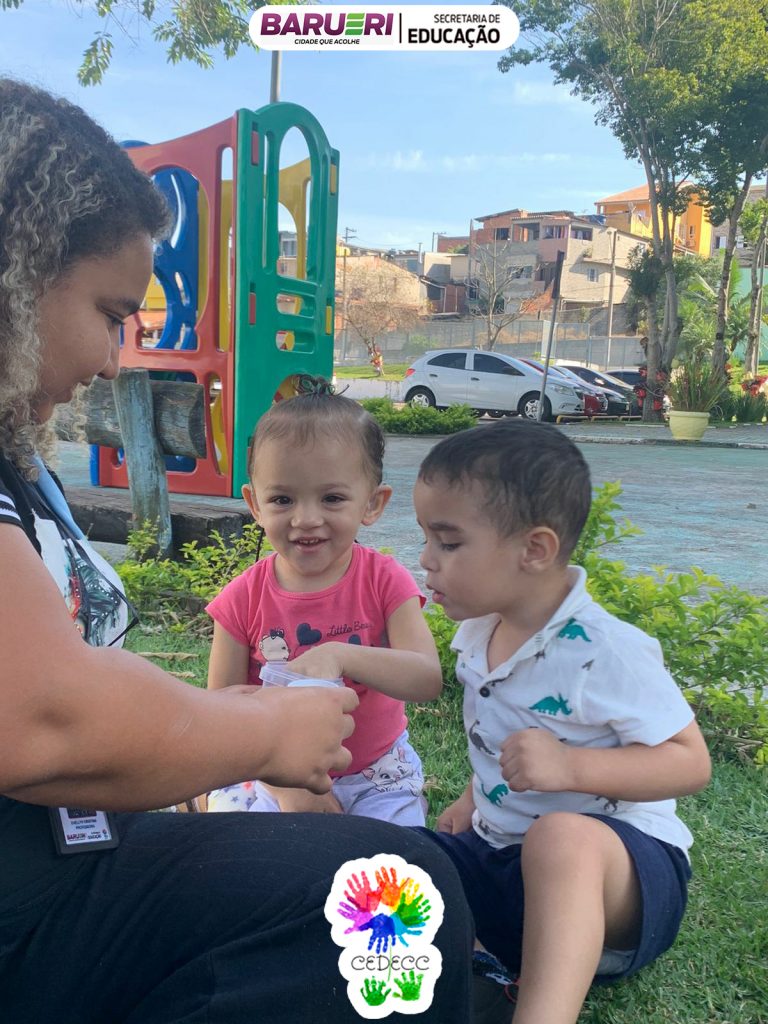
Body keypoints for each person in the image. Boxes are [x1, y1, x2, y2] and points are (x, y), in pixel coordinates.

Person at [0, 78, 473, 1022]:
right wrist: (262, 736)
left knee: (397, 879)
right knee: (400, 899)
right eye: (108, 313)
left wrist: (205, 739)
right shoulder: (247, 592)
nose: (111, 358)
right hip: (32, 908)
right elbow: (41, 722)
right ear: (17, 276)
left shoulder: (16, 458)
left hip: (70, 856)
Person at [412, 419, 712, 1024]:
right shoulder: (481, 633)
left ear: (535, 550)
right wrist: (474, 797)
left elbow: (691, 762)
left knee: (560, 838)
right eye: (426, 539)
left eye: (448, 543)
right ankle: (481, 972)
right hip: (503, 865)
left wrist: (571, 766)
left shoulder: (606, 649)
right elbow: (499, 733)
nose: (425, 560)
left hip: (616, 886)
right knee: (396, 853)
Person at [206, 385, 440, 825]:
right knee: (243, 851)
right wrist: (287, 787)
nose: (307, 519)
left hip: (375, 773)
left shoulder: (384, 580)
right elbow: (221, 715)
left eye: (332, 498)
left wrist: (340, 655)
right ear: (255, 504)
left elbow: (426, 677)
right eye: (282, 499)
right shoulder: (241, 600)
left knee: (393, 858)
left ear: (372, 503)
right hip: (271, 773)